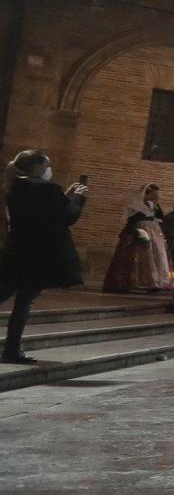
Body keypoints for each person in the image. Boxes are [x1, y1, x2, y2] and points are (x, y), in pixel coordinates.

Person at [1, 151, 87, 364]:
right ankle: (12, 349)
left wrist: (64, 197)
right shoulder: (44, 188)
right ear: (37, 167)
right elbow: (67, 216)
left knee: (9, 294)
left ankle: (12, 350)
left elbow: (47, 211)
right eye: (47, 165)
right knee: (24, 302)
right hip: (39, 254)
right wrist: (77, 197)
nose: (50, 169)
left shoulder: (15, 186)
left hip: (17, 250)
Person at [102, 184, 174, 294]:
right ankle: (132, 281)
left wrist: (156, 206)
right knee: (139, 256)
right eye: (152, 194)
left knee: (156, 256)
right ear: (145, 194)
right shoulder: (136, 205)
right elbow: (131, 220)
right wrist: (136, 232)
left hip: (154, 232)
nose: (155, 196)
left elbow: (160, 216)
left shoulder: (153, 205)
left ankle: (154, 282)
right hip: (142, 230)